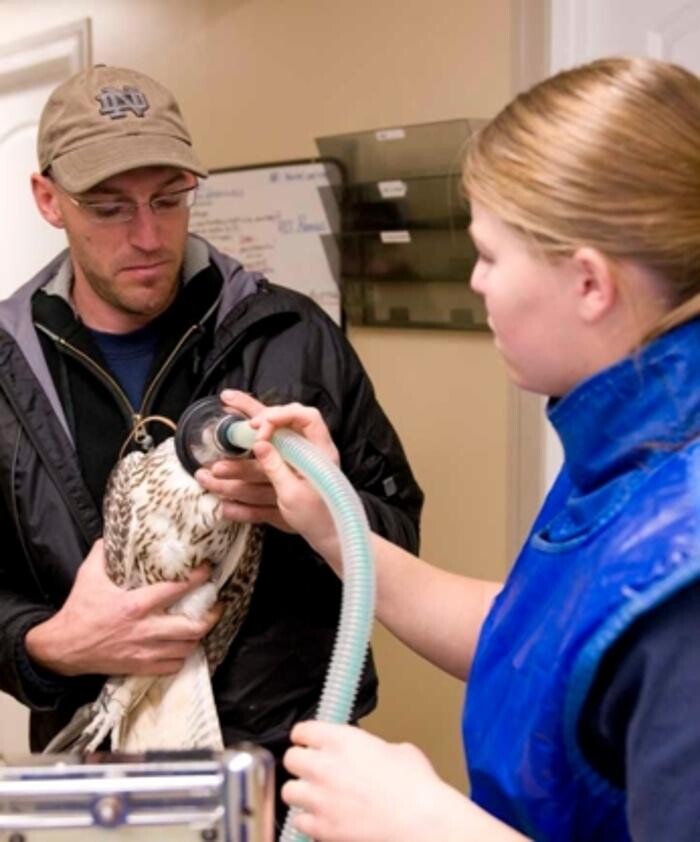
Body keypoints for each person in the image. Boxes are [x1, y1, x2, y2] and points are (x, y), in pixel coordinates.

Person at [227, 56, 700, 841]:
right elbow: (550, 642)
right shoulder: (631, 450)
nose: (476, 283)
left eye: (489, 253)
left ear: (589, 283)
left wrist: (425, 825)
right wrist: (327, 524)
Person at [0, 64, 423, 824]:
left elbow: (396, 532)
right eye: (108, 207)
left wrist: (318, 514)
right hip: (104, 778)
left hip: (287, 766)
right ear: (47, 200)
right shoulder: (5, 371)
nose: (148, 235)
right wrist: (47, 646)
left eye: (170, 199)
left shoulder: (290, 337)